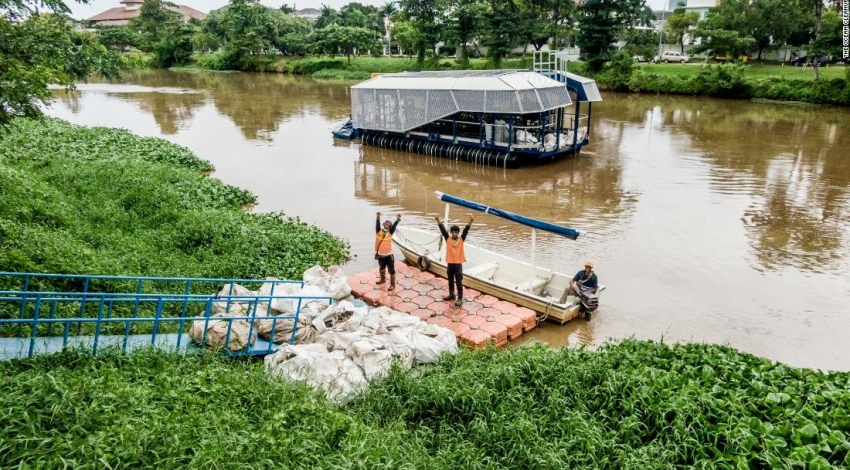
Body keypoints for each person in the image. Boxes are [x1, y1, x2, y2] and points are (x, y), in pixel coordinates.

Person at [435, 214, 474, 307]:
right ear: (451, 233)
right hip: (450, 264)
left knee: (459, 281)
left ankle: (460, 298)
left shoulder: (461, 239)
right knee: (450, 280)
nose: (455, 234)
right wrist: (438, 220)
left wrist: (470, 221)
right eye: (453, 232)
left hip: (458, 265)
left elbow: (466, 230)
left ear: (458, 233)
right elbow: (443, 230)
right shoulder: (447, 239)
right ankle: (452, 294)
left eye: (456, 232)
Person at [375, 212, 401, 290]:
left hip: (389, 256)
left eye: (389, 224)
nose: (387, 224)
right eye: (386, 223)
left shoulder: (390, 232)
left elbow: (395, 226)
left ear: (390, 227)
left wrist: (398, 219)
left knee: (391, 270)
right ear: (383, 224)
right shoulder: (378, 231)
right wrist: (378, 217)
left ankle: (392, 285)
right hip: (380, 255)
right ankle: (382, 279)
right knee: (381, 268)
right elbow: (377, 224)